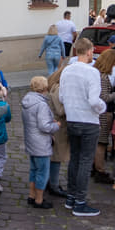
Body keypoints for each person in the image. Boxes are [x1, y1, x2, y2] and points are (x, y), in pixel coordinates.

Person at [59, 38, 104, 217]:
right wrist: (103, 107)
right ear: (89, 52)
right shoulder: (92, 72)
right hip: (88, 120)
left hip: (72, 119)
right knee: (85, 161)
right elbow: (94, 100)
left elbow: (62, 97)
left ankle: (71, 197)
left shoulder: (67, 70)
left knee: (75, 159)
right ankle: (80, 201)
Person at [22, 76, 60, 210]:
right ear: (45, 88)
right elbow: (44, 126)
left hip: (31, 141)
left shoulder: (27, 101)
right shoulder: (41, 104)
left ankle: (31, 196)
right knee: (42, 172)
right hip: (41, 143)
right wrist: (56, 125)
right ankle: (39, 199)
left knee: (33, 170)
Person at [94, 49, 115, 184]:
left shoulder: (96, 73)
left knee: (99, 142)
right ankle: (99, 170)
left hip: (99, 113)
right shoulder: (103, 77)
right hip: (104, 113)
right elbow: (105, 97)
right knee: (102, 142)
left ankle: (95, 167)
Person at [46, 64, 69, 197]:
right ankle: (53, 184)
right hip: (58, 125)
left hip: (57, 125)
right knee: (56, 156)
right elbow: (60, 110)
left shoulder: (54, 86)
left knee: (55, 156)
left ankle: (51, 182)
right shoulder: (58, 88)